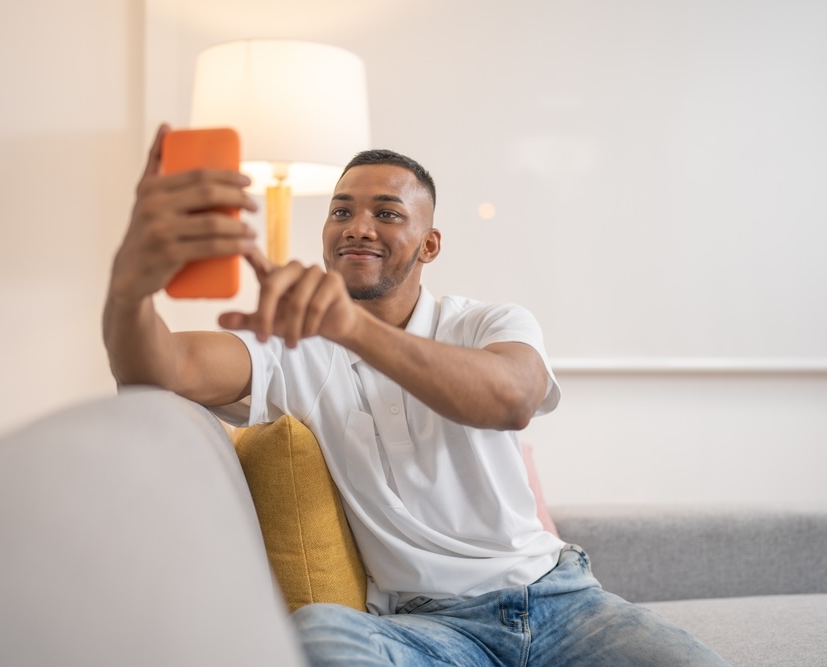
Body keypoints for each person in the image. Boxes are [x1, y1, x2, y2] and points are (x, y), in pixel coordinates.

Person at [103, 124, 730, 666]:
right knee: (319, 634)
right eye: (341, 211)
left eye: (388, 213)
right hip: (433, 630)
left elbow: (510, 398)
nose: (358, 228)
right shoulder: (293, 350)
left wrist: (353, 329)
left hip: (560, 600)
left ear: (430, 244)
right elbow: (161, 367)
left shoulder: (487, 322)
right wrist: (129, 286)